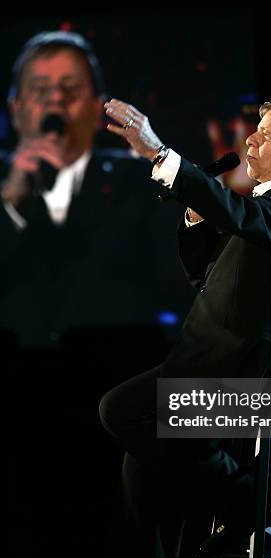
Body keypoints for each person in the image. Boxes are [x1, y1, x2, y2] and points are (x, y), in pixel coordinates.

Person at [96, 96, 271, 558]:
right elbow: (207, 277)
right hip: (214, 365)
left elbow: (247, 219)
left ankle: (249, 501)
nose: (250, 141)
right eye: (254, 129)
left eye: (265, 133)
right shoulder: (265, 204)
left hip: (266, 380)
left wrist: (160, 154)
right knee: (142, 464)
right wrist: (195, 219)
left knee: (122, 409)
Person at [0, 30, 176, 349]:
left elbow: (177, 281)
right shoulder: (3, 182)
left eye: (71, 89)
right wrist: (10, 200)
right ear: (15, 108)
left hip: (112, 368)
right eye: (40, 90)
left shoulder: (140, 180)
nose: (56, 99)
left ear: (98, 109)